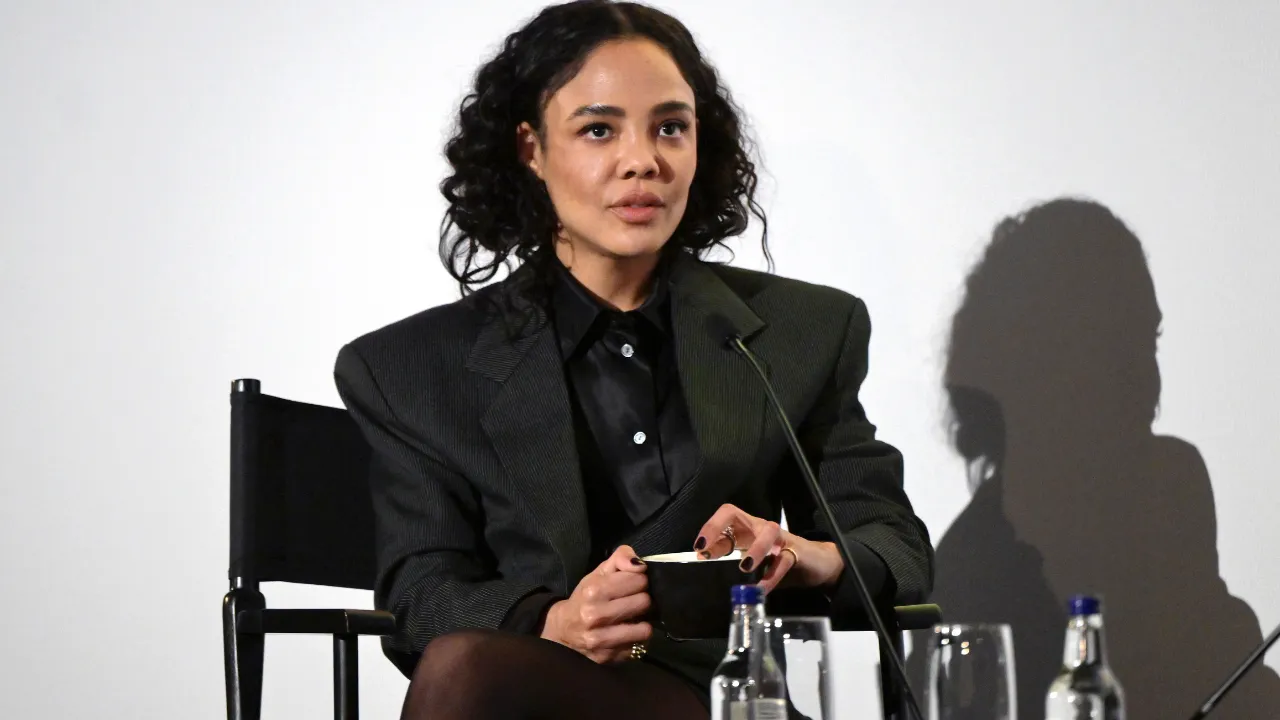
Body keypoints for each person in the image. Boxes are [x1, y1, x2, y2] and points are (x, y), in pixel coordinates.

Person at [333, 2, 932, 718]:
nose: (643, 160)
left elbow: (893, 544)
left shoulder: (804, 331)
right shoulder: (407, 369)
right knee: (464, 667)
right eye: (598, 130)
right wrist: (555, 621)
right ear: (530, 149)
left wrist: (805, 554)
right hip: (531, 687)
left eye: (671, 127)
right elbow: (421, 594)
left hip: (729, 699)